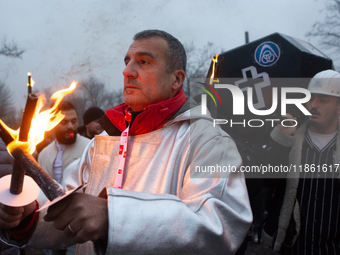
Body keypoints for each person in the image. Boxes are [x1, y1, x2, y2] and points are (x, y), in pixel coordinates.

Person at [0, 29, 252, 254]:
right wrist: (27, 215)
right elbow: (66, 208)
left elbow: (218, 227)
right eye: (127, 62)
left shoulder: (207, 140)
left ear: (176, 79)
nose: (128, 71)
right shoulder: (105, 140)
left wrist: (112, 216)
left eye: (144, 62)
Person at [264, 69, 340, 254]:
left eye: (322, 100)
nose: (313, 105)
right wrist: (282, 141)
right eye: (310, 98)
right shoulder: (291, 139)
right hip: (293, 247)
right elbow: (267, 181)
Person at [37, 100, 90, 183]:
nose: (70, 126)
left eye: (73, 121)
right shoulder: (44, 155)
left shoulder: (89, 148)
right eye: (64, 122)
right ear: (52, 124)